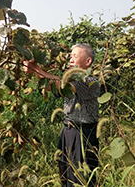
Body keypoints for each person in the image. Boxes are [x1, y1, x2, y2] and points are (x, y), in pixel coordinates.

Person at [23, 43, 100, 187]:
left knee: (82, 179)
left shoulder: (91, 82)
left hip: (83, 135)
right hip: (67, 132)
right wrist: (36, 70)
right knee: (66, 177)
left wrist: (36, 69)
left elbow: (62, 86)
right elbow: (52, 85)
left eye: (75, 56)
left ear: (88, 61)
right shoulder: (71, 79)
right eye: (70, 56)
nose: (70, 59)